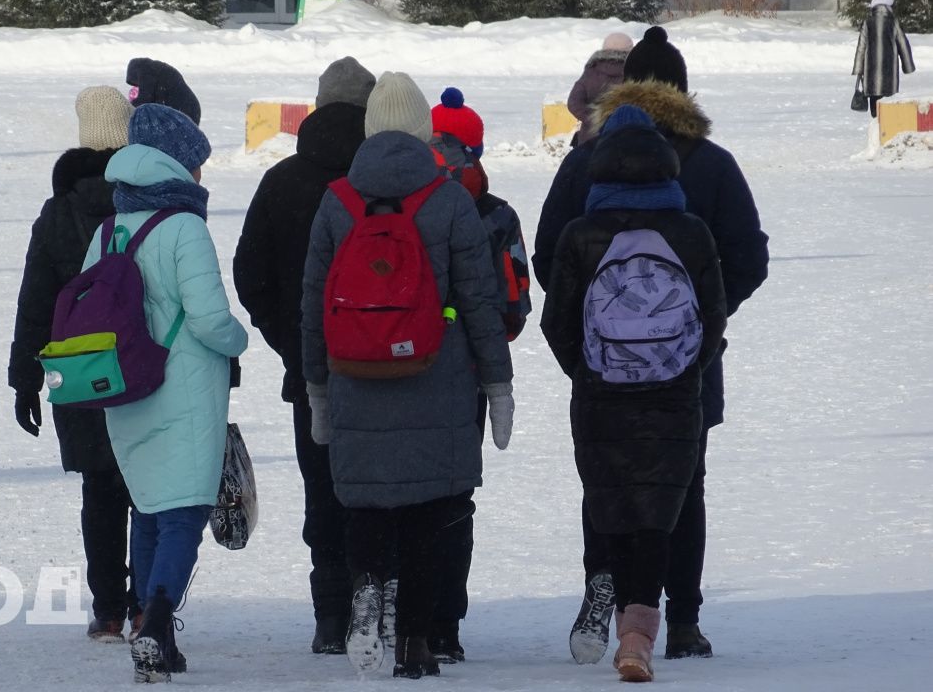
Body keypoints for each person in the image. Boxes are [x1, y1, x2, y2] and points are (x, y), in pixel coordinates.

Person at [534, 25, 769, 663]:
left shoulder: (588, 158)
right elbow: (748, 258)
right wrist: (697, 328)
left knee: (604, 480)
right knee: (683, 484)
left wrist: (588, 343)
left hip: (599, 370)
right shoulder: (711, 163)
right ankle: (683, 620)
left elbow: (547, 253)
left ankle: (603, 596)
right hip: (688, 367)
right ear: (683, 93)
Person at [301, 71, 513, 680]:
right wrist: (497, 386)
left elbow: (315, 303)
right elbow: (480, 301)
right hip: (436, 378)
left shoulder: (337, 200)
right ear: (426, 133)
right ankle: (416, 641)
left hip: (354, 375)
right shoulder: (449, 200)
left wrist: (319, 388)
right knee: (428, 512)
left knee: (366, 504)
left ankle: (367, 595)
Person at [540, 104, 728, 683]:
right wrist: (682, 371)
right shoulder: (691, 232)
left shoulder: (583, 233)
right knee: (658, 514)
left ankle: (614, 608)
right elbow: (713, 321)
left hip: (601, 395)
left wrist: (590, 370)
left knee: (611, 506)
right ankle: (638, 639)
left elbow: (557, 322)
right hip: (674, 398)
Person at [79, 103, 248, 683]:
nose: (203, 177)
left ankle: (151, 630)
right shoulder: (185, 228)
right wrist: (240, 341)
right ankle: (156, 624)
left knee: (149, 507)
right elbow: (208, 319)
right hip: (185, 389)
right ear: (177, 166)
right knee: (184, 512)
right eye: (198, 166)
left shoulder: (108, 229)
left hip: (123, 387)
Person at [233, 55, 374, 656]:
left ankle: (329, 620)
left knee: (323, 490)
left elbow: (249, 275)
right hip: (388, 366)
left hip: (308, 370)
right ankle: (377, 610)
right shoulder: (390, 179)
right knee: (378, 489)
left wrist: (290, 340)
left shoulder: (283, 180)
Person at [8, 86, 141, 643]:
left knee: (101, 489)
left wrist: (24, 380)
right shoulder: (150, 199)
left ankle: (109, 607)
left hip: (81, 368)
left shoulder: (59, 210)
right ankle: (148, 606)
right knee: (149, 489)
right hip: (144, 364)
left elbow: (35, 298)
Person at [424, 85, 529, 664]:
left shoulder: (395, 202)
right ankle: (444, 625)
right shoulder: (496, 214)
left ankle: (394, 612)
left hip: (396, 367)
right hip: (467, 374)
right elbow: (515, 310)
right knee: (453, 499)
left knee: (397, 496)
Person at [853, 0, 916, 118]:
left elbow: (861, 48)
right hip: (889, 75)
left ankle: (876, 125)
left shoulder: (868, 22)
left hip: (871, 75)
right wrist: (908, 66)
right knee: (889, 107)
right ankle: (887, 128)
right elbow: (903, 45)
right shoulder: (893, 22)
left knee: (875, 107)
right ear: (889, 7)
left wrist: (858, 69)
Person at [567, 32, 633, 146]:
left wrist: (595, 119)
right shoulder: (636, 71)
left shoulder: (591, 70)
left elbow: (574, 102)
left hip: (590, 140)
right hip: (625, 139)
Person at [126, 57, 201, 124]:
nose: (137, 86)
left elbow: (144, 100)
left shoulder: (146, 71)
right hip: (190, 111)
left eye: (136, 83)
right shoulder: (158, 70)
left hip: (184, 112)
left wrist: (126, 109)